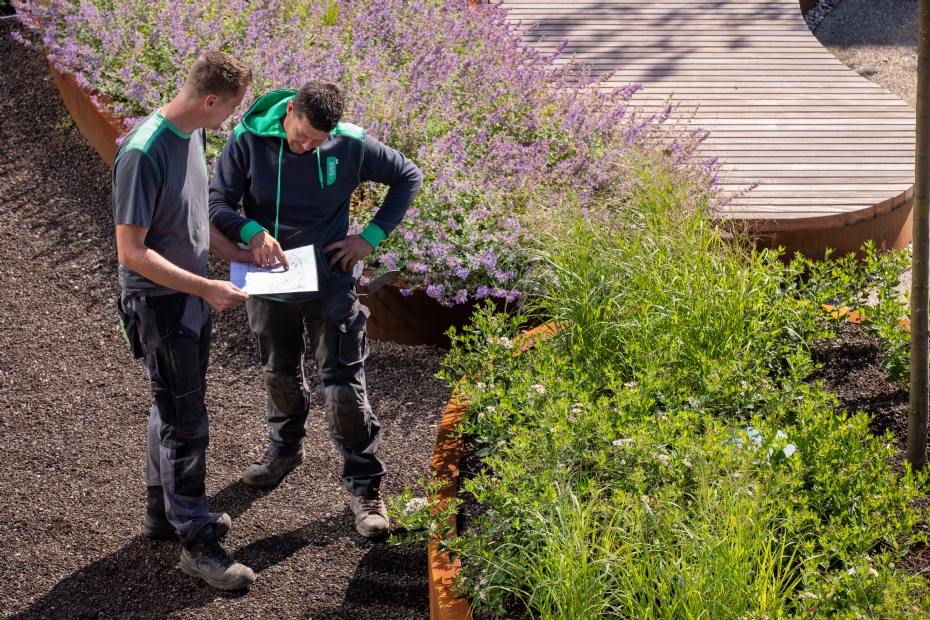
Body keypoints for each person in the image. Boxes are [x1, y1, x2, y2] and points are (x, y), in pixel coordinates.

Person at [209, 81, 422, 539]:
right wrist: (250, 231)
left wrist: (371, 237)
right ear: (289, 111)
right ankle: (284, 449)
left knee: (343, 386)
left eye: (315, 140)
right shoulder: (247, 139)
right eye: (300, 134)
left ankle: (366, 487)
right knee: (278, 372)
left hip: (330, 284)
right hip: (269, 283)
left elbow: (409, 175)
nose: (303, 145)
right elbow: (217, 202)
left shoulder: (351, 144)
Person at [113, 51, 257, 590]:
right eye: (232, 109)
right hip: (161, 303)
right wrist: (206, 288)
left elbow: (193, 225)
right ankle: (197, 542)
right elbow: (132, 251)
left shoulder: (193, 135)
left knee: (171, 405)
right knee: (186, 421)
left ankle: (162, 513)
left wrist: (241, 255)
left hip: (191, 297)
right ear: (209, 100)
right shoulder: (143, 152)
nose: (232, 119)